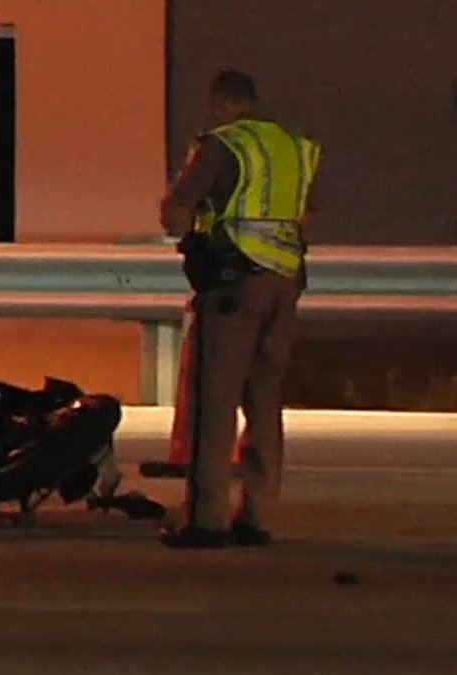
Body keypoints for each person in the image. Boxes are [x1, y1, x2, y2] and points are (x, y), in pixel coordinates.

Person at [156, 69, 323, 549]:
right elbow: (307, 214)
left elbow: (175, 209)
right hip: (286, 282)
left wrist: (192, 236)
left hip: (234, 284)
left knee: (216, 400)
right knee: (266, 401)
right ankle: (259, 515)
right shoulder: (297, 146)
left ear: (219, 103)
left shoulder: (222, 145)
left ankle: (206, 520)